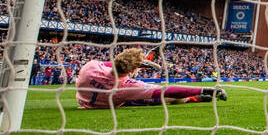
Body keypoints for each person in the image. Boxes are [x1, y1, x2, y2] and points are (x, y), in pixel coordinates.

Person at [76, 48, 226, 109]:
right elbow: (168, 90)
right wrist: (204, 89)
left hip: (84, 100)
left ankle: (143, 60)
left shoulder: (91, 66)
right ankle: (196, 98)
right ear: (133, 70)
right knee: (169, 99)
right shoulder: (129, 87)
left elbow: (111, 66)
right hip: (122, 99)